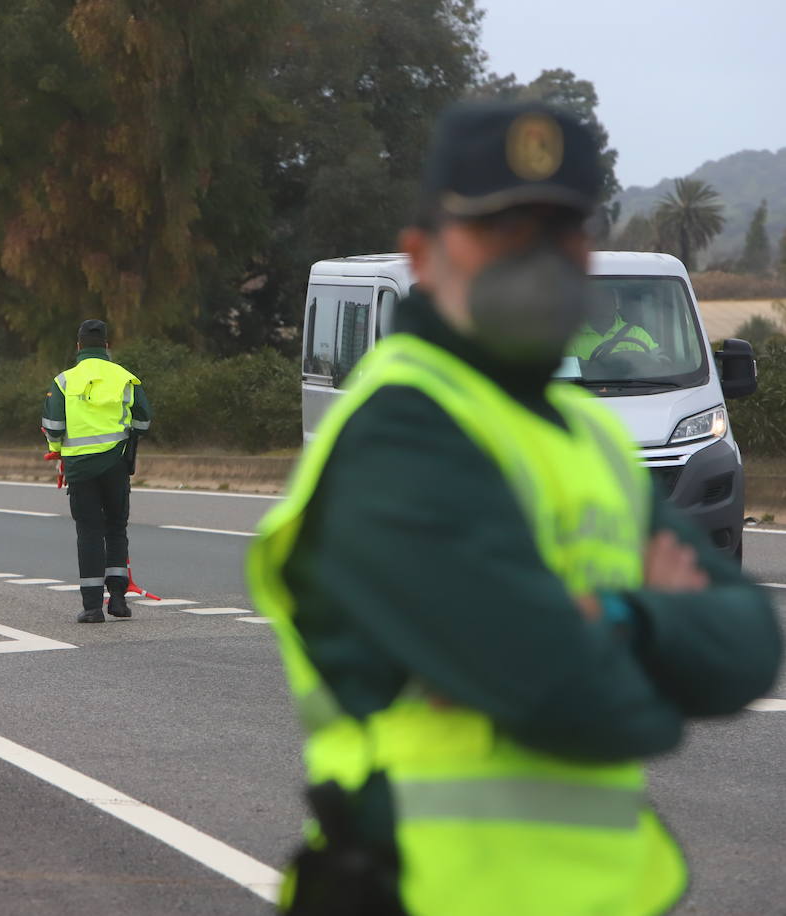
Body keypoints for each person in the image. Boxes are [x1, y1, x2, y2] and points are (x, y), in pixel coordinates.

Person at [247, 101, 781, 916]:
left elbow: (748, 643)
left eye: (561, 229)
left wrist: (606, 624)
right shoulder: (398, 434)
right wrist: (658, 643)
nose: (538, 256)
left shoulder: (584, 437)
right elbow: (564, 691)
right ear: (423, 256)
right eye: (501, 228)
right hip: (423, 894)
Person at [41, 319, 152, 623]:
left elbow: (53, 426)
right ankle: (118, 600)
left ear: (78, 347)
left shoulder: (64, 381)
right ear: (107, 347)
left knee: (88, 532)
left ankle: (92, 607)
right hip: (116, 464)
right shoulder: (126, 378)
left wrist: (58, 448)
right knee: (116, 528)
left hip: (78, 467)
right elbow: (143, 422)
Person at [568, 284, 659, 359]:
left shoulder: (637, 334)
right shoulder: (571, 338)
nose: (603, 307)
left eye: (608, 301)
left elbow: (657, 360)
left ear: (616, 304)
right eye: (598, 302)